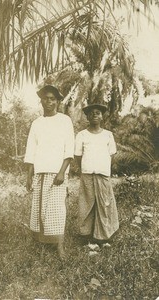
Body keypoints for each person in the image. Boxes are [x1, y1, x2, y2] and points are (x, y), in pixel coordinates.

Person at [24, 85, 74, 259]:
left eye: (52, 99)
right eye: (46, 98)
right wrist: (29, 175)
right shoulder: (37, 123)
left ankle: (59, 246)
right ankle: (40, 241)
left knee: (57, 209)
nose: (49, 102)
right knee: (38, 209)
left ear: (58, 101)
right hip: (40, 172)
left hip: (57, 173)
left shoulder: (65, 120)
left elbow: (69, 149)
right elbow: (31, 150)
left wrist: (62, 172)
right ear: (41, 101)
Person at [74, 103, 119, 248]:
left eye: (98, 113)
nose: (95, 115)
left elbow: (112, 155)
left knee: (104, 204)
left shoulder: (108, 135)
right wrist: (86, 168)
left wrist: (103, 168)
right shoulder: (82, 135)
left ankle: (103, 237)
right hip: (87, 173)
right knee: (87, 204)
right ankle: (86, 236)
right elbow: (78, 156)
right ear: (87, 116)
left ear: (102, 116)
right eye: (91, 113)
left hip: (103, 174)